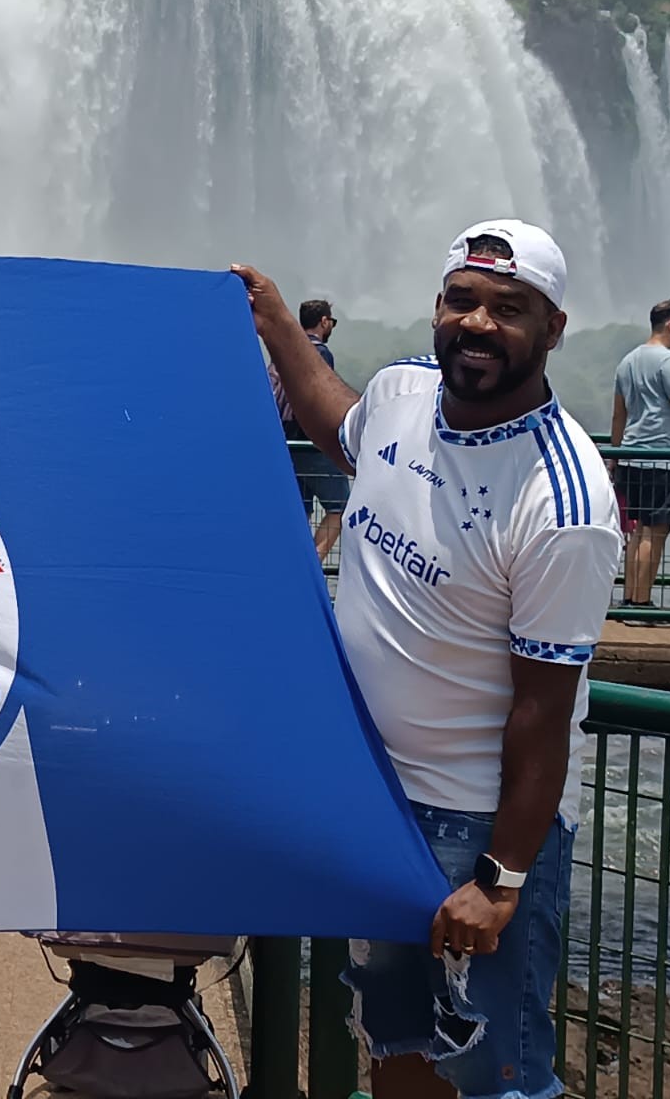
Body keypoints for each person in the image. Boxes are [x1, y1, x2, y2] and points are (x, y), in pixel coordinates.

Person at [239, 219, 621, 1099]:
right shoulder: (403, 390)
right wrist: (275, 323)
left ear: (554, 328)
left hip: (473, 830)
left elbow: (543, 711)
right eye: (463, 300)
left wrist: (502, 880)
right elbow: (340, 428)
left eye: (509, 309)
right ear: (438, 306)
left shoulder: (563, 501)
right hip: (378, 804)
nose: (478, 323)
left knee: (494, 1077)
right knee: (397, 1044)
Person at [610, 298, 670, 623]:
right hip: (662, 460)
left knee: (639, 532)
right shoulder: (668, 362)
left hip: (631, 457)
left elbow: (619, 415)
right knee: (656, 532)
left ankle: (630, 601)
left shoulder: (627, 361)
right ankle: (642, 605)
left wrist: (616, 454)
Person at [274, 298, 350, 562]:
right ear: (324, 322)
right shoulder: (319, 354)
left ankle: (290, 562)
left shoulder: (284, 351)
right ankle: (313, 565)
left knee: (301, 511)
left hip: (285, 443)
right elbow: (319, 399)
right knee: (341, 507)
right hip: (309, 442)